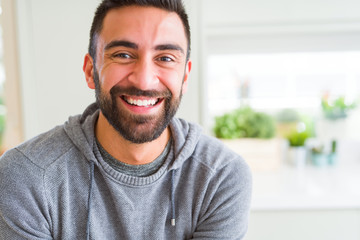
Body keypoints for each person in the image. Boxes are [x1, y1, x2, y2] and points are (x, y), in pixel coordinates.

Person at [0, 0, 252, 239]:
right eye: (123, 55)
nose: (144, 80)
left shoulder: (220, 176)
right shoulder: (26, 176)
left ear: (185, 77)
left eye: (165, 58)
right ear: (91, 71)